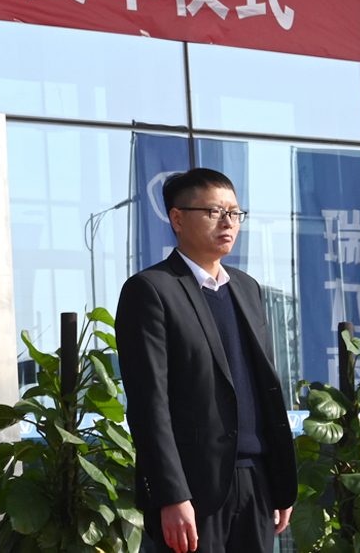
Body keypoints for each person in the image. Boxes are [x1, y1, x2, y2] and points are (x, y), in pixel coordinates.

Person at [115, 168, 297, 553]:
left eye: (234, 213)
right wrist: (171, 495)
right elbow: (149, 404)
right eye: (214, 212)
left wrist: (278, 483)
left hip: (256, 480)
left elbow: (262, 387)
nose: (228, 222)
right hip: (193, 489)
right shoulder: (151, 290)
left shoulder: (247, 288)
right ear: (177, 219)